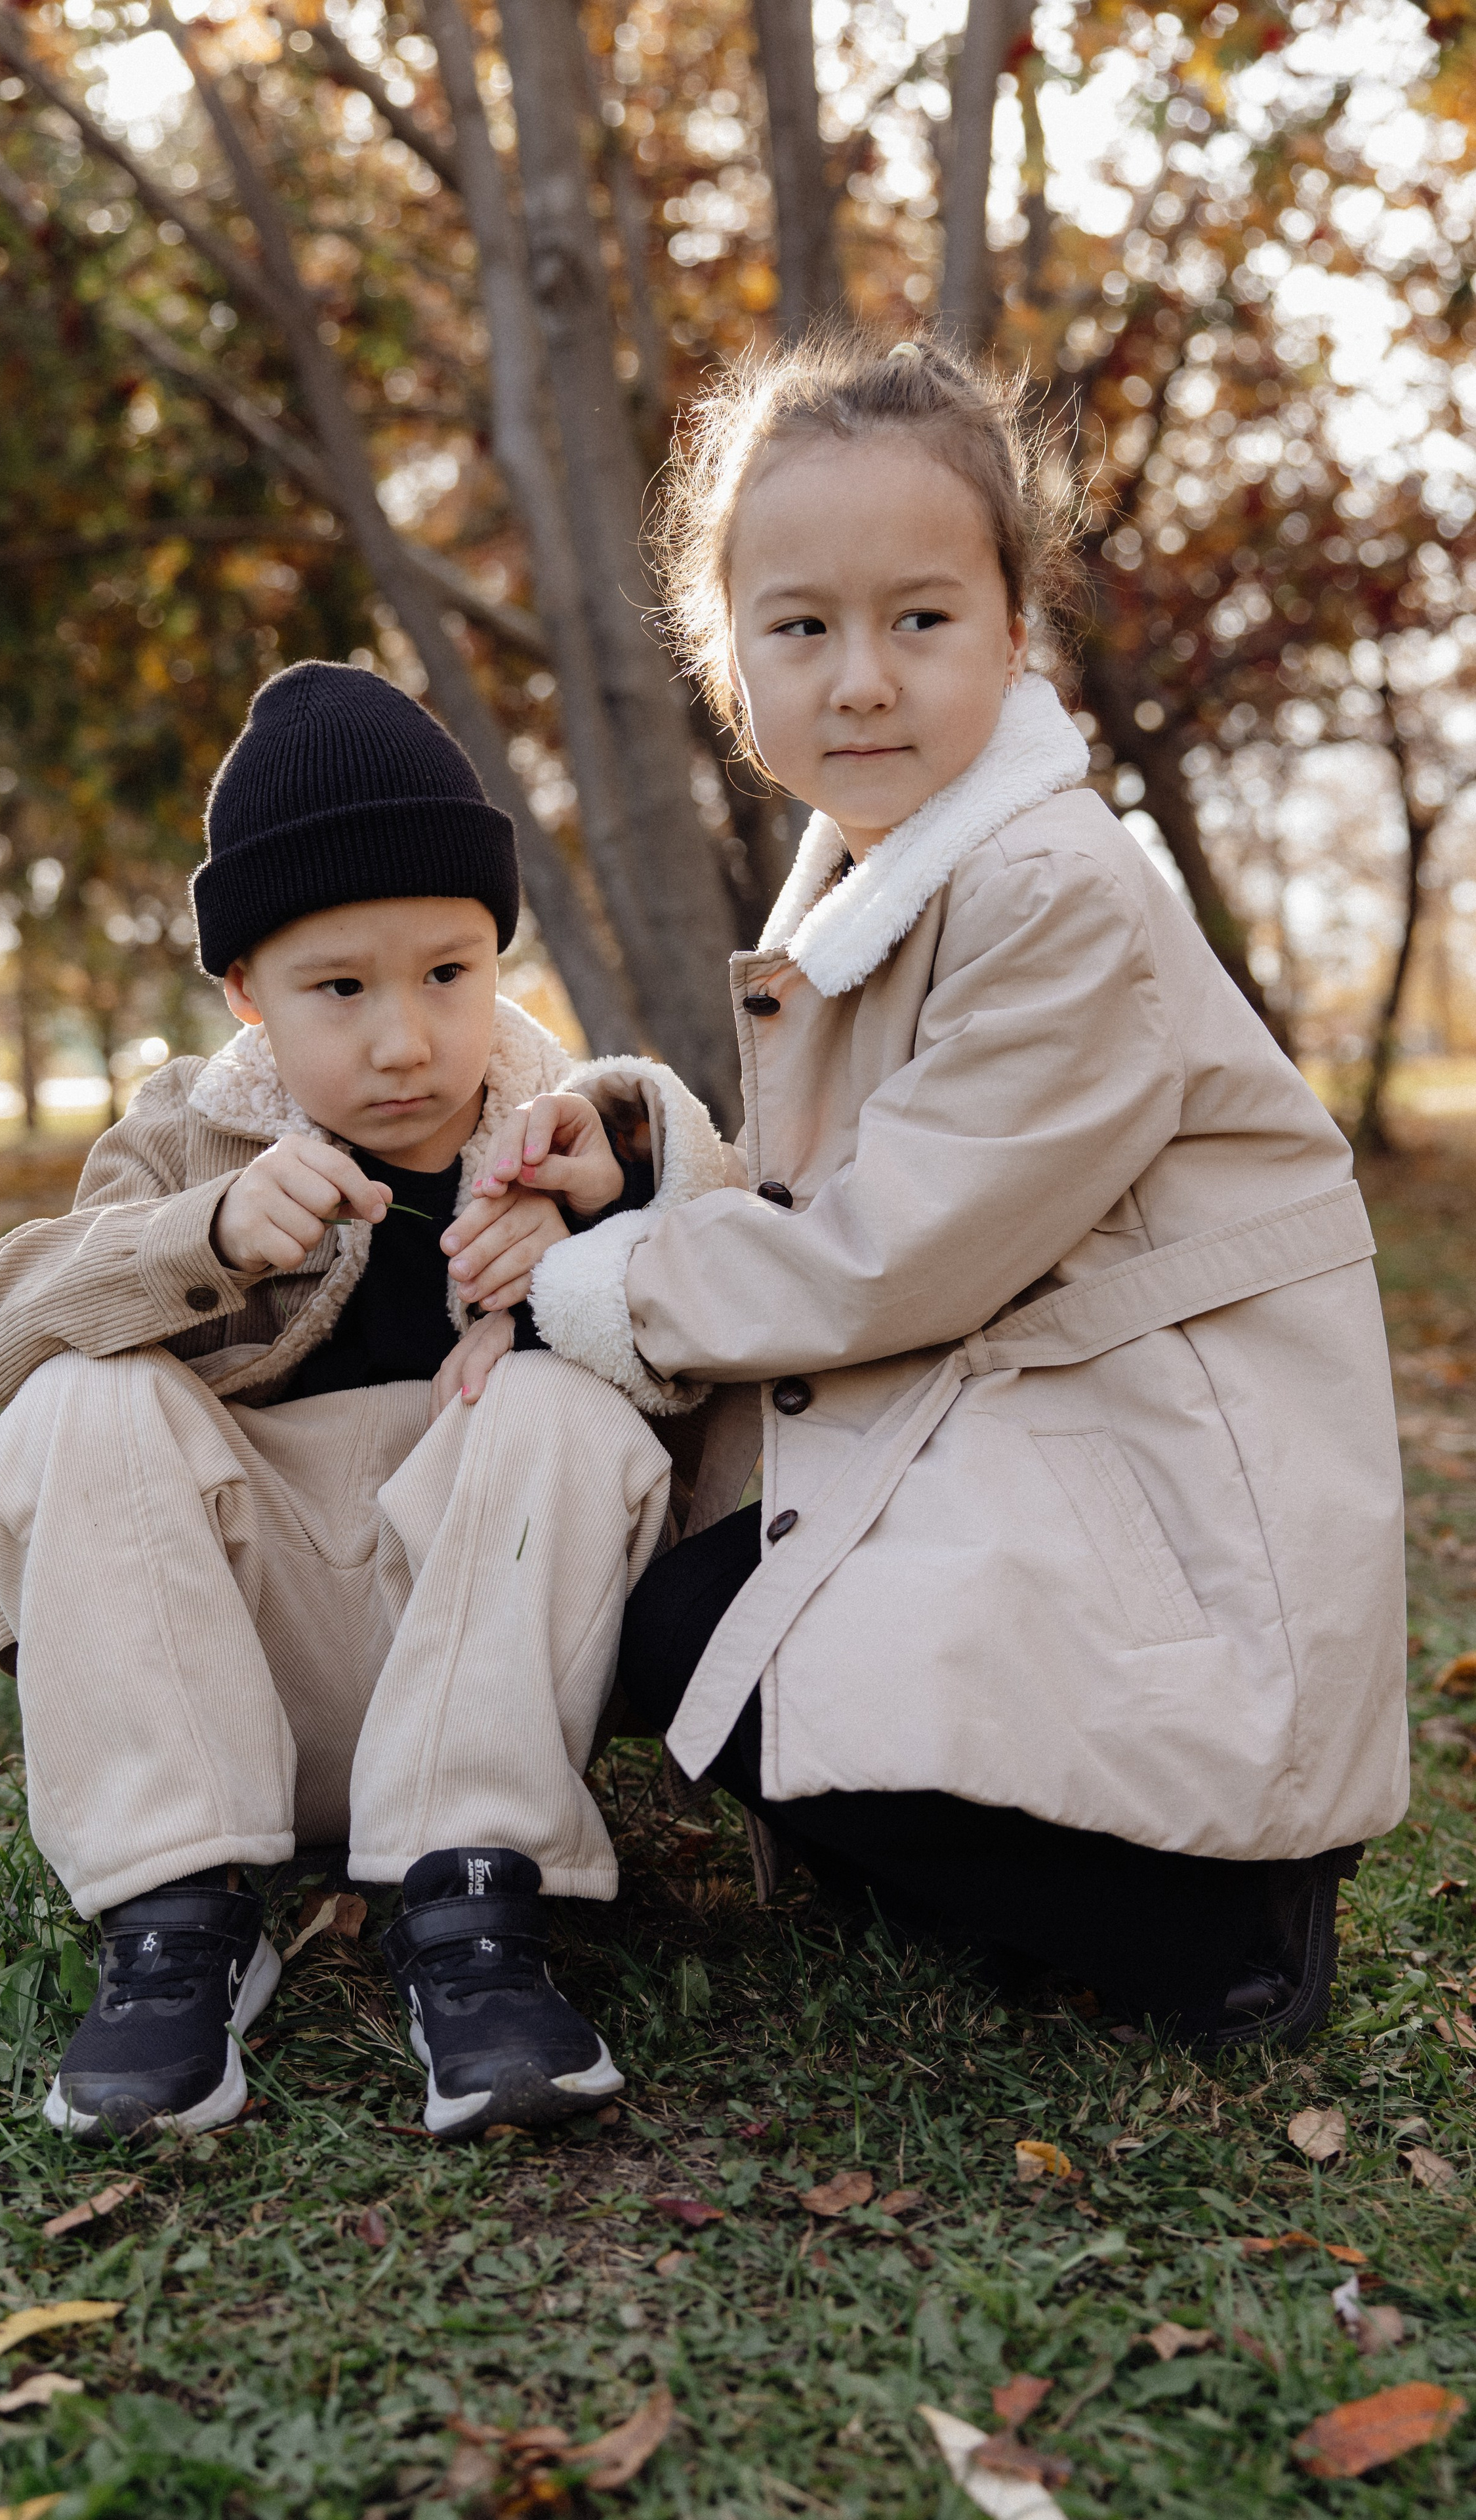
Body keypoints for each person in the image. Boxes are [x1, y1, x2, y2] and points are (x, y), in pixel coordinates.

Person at [523, 329, 1407, 2048]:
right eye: (801, 627)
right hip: (1030, 1426)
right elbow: (834, 1201)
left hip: (1165, 1489)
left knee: (714, 1653)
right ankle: (991, 1867)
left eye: (919, 620)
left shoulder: (1051, 890)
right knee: (689, 1634)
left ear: (1017, 631)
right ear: (733, 662)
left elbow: (888, 1252)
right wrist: (640, 1160)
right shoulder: (873, 877)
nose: (861, 677)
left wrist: (613, 1299)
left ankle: (1215, 1926)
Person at [0, 661, 726, 2141]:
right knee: (75, 1404)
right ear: (244, 992)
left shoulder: (566, 1123)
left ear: (498, 953)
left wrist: (600, 1239)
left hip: (476, 1667)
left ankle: (471, 1912)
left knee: (561, 1412)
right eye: (338, 988)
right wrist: (207, 1234)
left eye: (446, 972)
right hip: (233, 1657)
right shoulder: (190, 1131)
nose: (402, 1039)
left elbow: (736, 1293)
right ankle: (176, 1911)